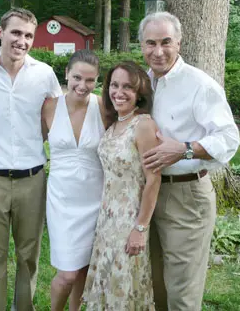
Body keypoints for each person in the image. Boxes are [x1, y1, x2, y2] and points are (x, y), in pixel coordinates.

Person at [138, 12, 240, 310]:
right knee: (154, 285)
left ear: (179, 43)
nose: (158, 51)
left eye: (166, 42)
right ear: (141, 45)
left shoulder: (199, 84)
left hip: (186, 196)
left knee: (182, 292)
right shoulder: (142, 83)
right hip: (148, 194)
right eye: (150, 43)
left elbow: (229, 138)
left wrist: (184, 149)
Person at [0, 7, 62, 310]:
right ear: (0, 33)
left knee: (28, 254)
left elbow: (52, 124)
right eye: (16, 32)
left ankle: (24, 307)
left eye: (28, 35)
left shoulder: (44, 74)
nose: (22, 40)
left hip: (32, 178)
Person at [83, 61, 161, 310]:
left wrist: (140, 227)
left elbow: (153, 179)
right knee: (107, 282)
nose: (119, 92)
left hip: (129, 221)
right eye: (114, 85)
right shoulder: (115, 124)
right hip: (106, 219)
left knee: (123, 284)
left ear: (140, 93)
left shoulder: (143, 125)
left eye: (127, 87)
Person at [41, 49, 105, 311]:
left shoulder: (103, 106)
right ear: (66, 74)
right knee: (67, 273)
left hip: (95, 198)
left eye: (90, 80)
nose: (83, 85)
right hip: (62, 199)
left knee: (84, 270)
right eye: (77, 77)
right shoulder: (49, 106)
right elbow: (33, 141)